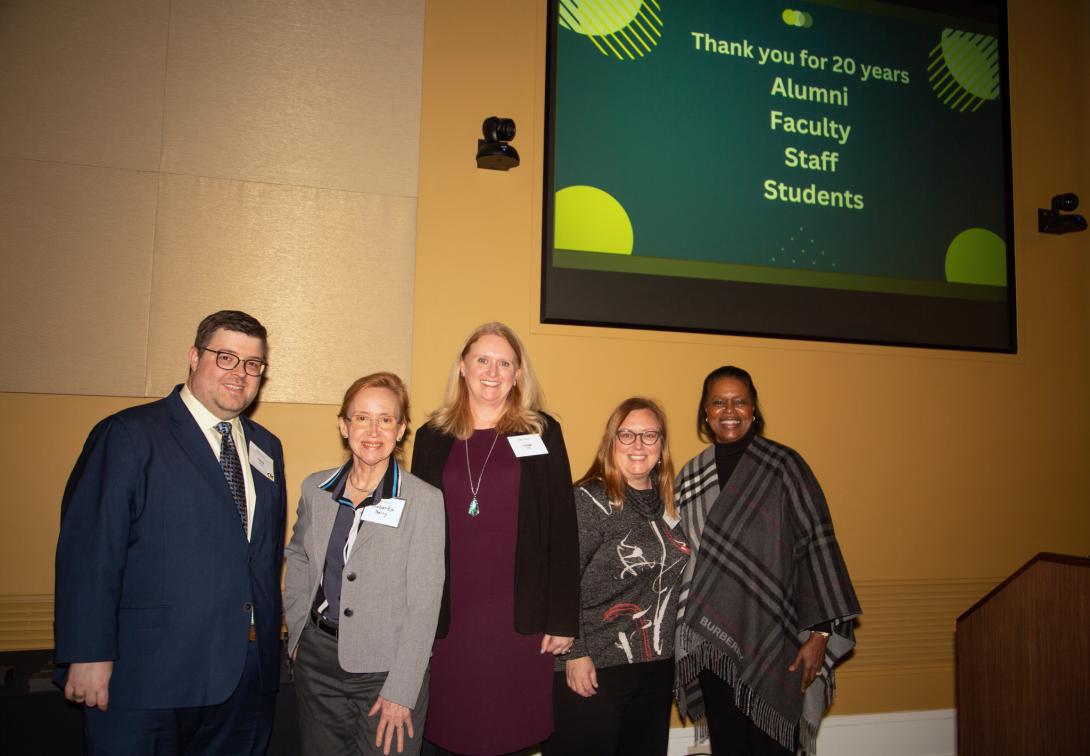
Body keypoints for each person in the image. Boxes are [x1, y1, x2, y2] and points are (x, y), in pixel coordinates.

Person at [53, 310, 287, 755]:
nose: (240, 373)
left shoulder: (266, 447)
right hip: (147, 676)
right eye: (226, 357)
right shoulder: (128, 434)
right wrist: (86, 654)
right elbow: (90, 550)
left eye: (252, 364)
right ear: (194, 357)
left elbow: (260, 553)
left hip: (244, 677)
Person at [410, 322, 580, 755]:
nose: (493, 371)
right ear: (463, 368)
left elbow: (562, 526)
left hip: (519, 617)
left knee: (511, 734)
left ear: (518, 374)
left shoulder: (541, 433)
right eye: (482, 360)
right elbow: (416, 531)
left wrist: (563, 618)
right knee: (449, 731)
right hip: (450, 617)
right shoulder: (432, 437)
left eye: (505, 363)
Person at [673, 366, 861, 755]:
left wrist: (821, 635)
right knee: (729, 745)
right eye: (718, 402)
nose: (729, 410)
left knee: (774, 744)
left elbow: (817, 546)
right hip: (713, 642)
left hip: (779, 640)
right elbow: (683, 560)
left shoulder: (784, 466)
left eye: (739, 401)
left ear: (753, 408)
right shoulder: (690, 475)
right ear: (705, 412)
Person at [284, 372, 445, 756]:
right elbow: (299, 557)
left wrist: (402, 689)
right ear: (344, 425)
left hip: (386, 670)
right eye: (361, 417)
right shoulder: (315, 489)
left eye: (386, 419)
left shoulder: (424, 501)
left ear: (401, 428)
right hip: (318, 661)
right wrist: (296, 633)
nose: (373, 430)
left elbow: (425, 603)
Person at [543, 398, 690, 756]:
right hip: (594, 665)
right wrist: (574, 656)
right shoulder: (588, 500)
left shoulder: (673, 504)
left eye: (649, 435)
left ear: (662, 446)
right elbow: (558, 579)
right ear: (611, 442)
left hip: (656, 667)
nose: (639, 445)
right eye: (628, 435)